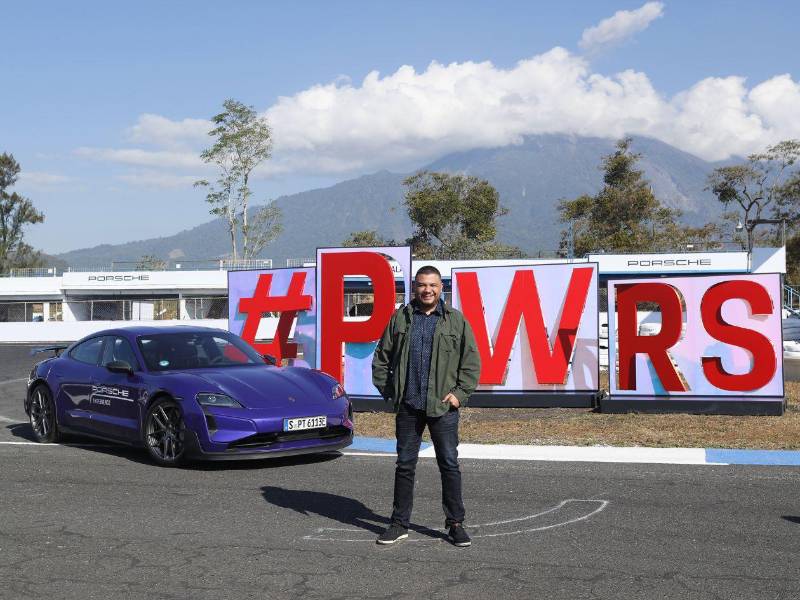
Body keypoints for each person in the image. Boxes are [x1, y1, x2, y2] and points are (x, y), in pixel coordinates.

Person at [372, 265, 481, 547]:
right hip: (408, 406)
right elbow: (381, 358)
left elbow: (470, 363)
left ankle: (455, 524)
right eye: (422, 285)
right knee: (405, 465)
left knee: (448, 464)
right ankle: (399, 524)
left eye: (432, 285)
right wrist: (390, 391)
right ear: (415, 287)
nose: (427, 290)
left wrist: (460, 394)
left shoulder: (456, 321)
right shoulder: (400, 319)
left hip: (443, 408)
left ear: (440, 287)